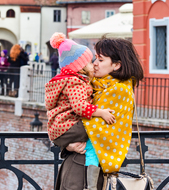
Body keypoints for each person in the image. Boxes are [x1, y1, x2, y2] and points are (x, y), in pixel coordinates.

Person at [52, 37, 144, 190]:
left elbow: (90, 127)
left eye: (100, 60)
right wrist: (67, 145)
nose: (94, 63)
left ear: (116, 65)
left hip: (83, 172)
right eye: (95, 58)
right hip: (77, 164)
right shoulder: (96, 84)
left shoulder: (118, 91)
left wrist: (60, 137)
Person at [45, 33, 116, 190]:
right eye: (91, 62)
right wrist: (102, 112)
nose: (94, 65)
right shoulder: (77, 83)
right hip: (68, 130)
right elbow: (80, 107)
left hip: (60, 129)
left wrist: (68, 145)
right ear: (81, 67)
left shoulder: (70, 81)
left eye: (99, 60)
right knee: (97, 128)